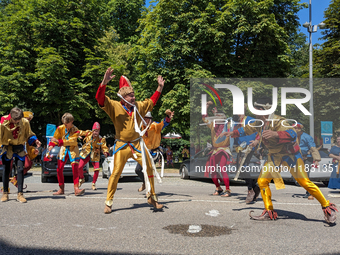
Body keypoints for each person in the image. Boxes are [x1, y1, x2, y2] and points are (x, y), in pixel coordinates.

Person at [222, 97, 337, 224]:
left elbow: (292, 133)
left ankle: (327, 207)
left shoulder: (278, 121)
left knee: (304, 182)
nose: (254, 113)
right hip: (274, 157)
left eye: (256, 111)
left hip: (291, 156)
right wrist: (232, 133)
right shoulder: (259, 122)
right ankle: (269, 211)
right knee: (262, 181)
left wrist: (276, 134)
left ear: (262, 110)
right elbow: (247, 129)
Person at [96, 67, 165, 214]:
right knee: (115, 173)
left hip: (137, 143)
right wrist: (104, 82)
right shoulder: (114, 106)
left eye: (133, 95)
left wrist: (159, 87)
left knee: (149, 168)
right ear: (122, 97)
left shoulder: (138, 106)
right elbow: (100, 99)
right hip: (121, 144)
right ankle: (108, 202)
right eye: (130, 96)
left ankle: (152, 197)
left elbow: (152, 101)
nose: (133, 98)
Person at [0, 107, 41, 203]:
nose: (17, 122)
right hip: (7, 147)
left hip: (19, 147)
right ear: (11, 117)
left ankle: (20, 194)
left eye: (19, 120)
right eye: (16, 120)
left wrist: (36, 140)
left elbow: (29, 134)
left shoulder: (25, 122)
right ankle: (5, 193)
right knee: (6, 170)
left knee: (20, 169)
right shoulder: (3, 121)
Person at [135, 110, 174, 192]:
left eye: (145, 118)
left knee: (148, 169)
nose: (143, 120)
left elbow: (163, 124)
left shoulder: (155, 125)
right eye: (142, 118)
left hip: (154, 152)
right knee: (137, 169)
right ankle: (145, 183)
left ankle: (150, 192)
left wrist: (168, 117)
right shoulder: (141, 126)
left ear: (150, 119)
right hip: (144, 152)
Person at [48, 113, 85, 196]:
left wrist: (58, 141)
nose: (65, 125)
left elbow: (72, 141)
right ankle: (61, 188)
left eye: (66, 124)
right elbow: (55, 137)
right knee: (59, 169)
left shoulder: (75, 129)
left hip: (73, 150)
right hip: (63, 150)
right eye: (64, 123)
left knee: (75, 169)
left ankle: (76, 189)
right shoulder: (60, 128)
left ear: (71, 121)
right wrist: (51, 145)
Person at [229, 107, 260, 203]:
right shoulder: (235, 122)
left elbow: (261, 130)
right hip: (239, 148)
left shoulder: (250, 120)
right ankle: (255, 187)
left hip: (249, 147)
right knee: (240, 170)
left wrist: (256, 141)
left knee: (244, 167)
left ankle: (250, 190)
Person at [8, 111, 41, 190]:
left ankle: (15, 180)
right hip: (10, 147)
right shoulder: (11, 123)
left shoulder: (26, 125)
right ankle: (6, 188)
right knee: (7, 168)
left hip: (21, 149)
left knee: (27, 165)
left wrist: (36, 140)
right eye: (27, 119)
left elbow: (30, 134)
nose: (28, 121)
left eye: (30, 119)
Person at [78, 122, 109, 190]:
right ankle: (81, 178)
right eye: (94, 130)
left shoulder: (101, 139)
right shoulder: (88, 133)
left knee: (97, 169)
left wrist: (105, 152)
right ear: (92, 130)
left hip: (95, 154)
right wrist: (77, 135)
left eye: (97, 131)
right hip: (86, 152)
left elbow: (104, 146)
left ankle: (93, 183)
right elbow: (80, 132)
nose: (95, 132)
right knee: (80, 166)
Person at [294, 123, 321, 200]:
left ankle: (310, 192)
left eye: (295, 129)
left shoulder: (307, 137)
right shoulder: (293, 137)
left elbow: (313, 148)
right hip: (297, 158)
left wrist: (316, 159)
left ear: (299, 129)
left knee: (306, 175)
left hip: (307, 158)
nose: (294, 130)